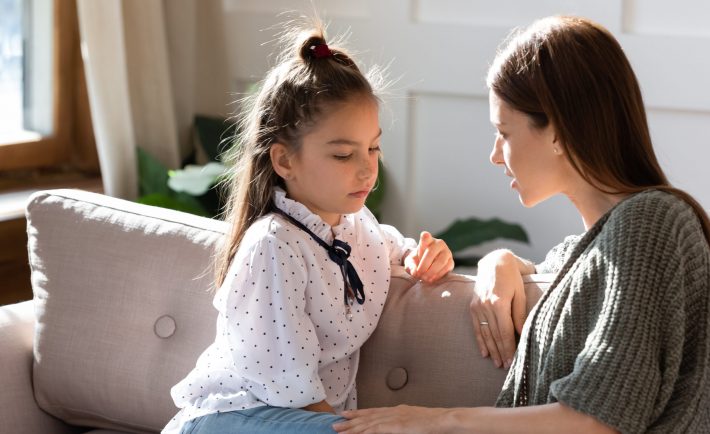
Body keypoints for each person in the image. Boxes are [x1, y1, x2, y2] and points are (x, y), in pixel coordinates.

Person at [333, 15, 710, 434]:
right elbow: (562, 276)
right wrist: (501, 261)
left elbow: (597, 421)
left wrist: (428, 420)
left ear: (558, 131)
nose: (496, 155)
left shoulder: (653, 223)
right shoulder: (591, 247)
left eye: (504, 132)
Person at [161, 22, 454, 434]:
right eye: (342, 155)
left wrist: (421, 254)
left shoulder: (356, 227)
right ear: (284, 162)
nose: (368, 167)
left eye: (373, 147)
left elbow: (391, 246)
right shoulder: (273, 245)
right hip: (229, 418)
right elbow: (287, 385)